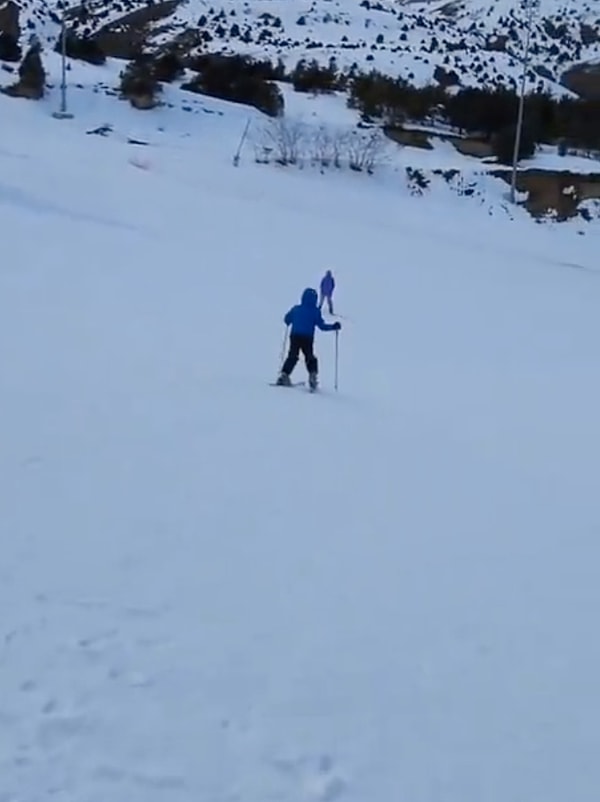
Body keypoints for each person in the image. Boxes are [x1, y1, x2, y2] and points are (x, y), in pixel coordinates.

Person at [277, 287, 341, 390]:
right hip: (307, 337)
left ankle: (284, 375)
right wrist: (333, 327)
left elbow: (286, 319)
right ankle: (312, 376)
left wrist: (290, 320)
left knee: (293, 355)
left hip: (295, 336)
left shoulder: (296, 309)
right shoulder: (315, 312)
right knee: (310, 357)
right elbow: (322, 326)